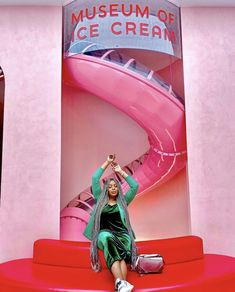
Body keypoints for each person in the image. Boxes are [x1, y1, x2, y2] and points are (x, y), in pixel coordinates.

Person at [83, 154, 139, 292]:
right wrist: (107, 162)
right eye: (110, 186)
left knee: (120, 259)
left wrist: (120, 171)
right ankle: (121, 283)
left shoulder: (123, 202)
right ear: (106, 189)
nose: (113, 188)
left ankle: (121, 286)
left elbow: (134, 186)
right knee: (108, 239)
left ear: (118, 189)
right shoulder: (99, 199)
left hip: (123, 235)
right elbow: (95, 179)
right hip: (104, 234)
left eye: (116, 186)